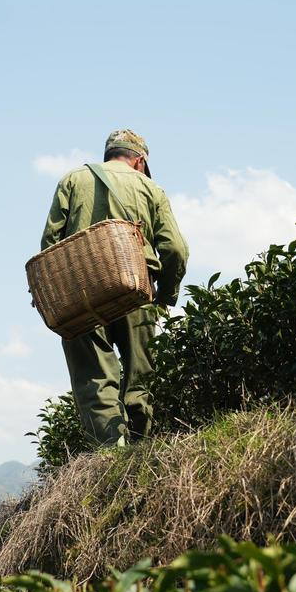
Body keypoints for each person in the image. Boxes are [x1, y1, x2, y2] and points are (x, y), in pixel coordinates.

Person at [40, 129, 189, 445]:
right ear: (140, 161)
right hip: (135, 288)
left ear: (110, 154)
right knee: (141, 375)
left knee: (94, 376)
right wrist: (166, 295)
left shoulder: (72, 179)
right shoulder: (150, 187)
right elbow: (175, 248)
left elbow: (49, 244)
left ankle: (111, 451)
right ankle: (139, 447)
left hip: (82, 294)